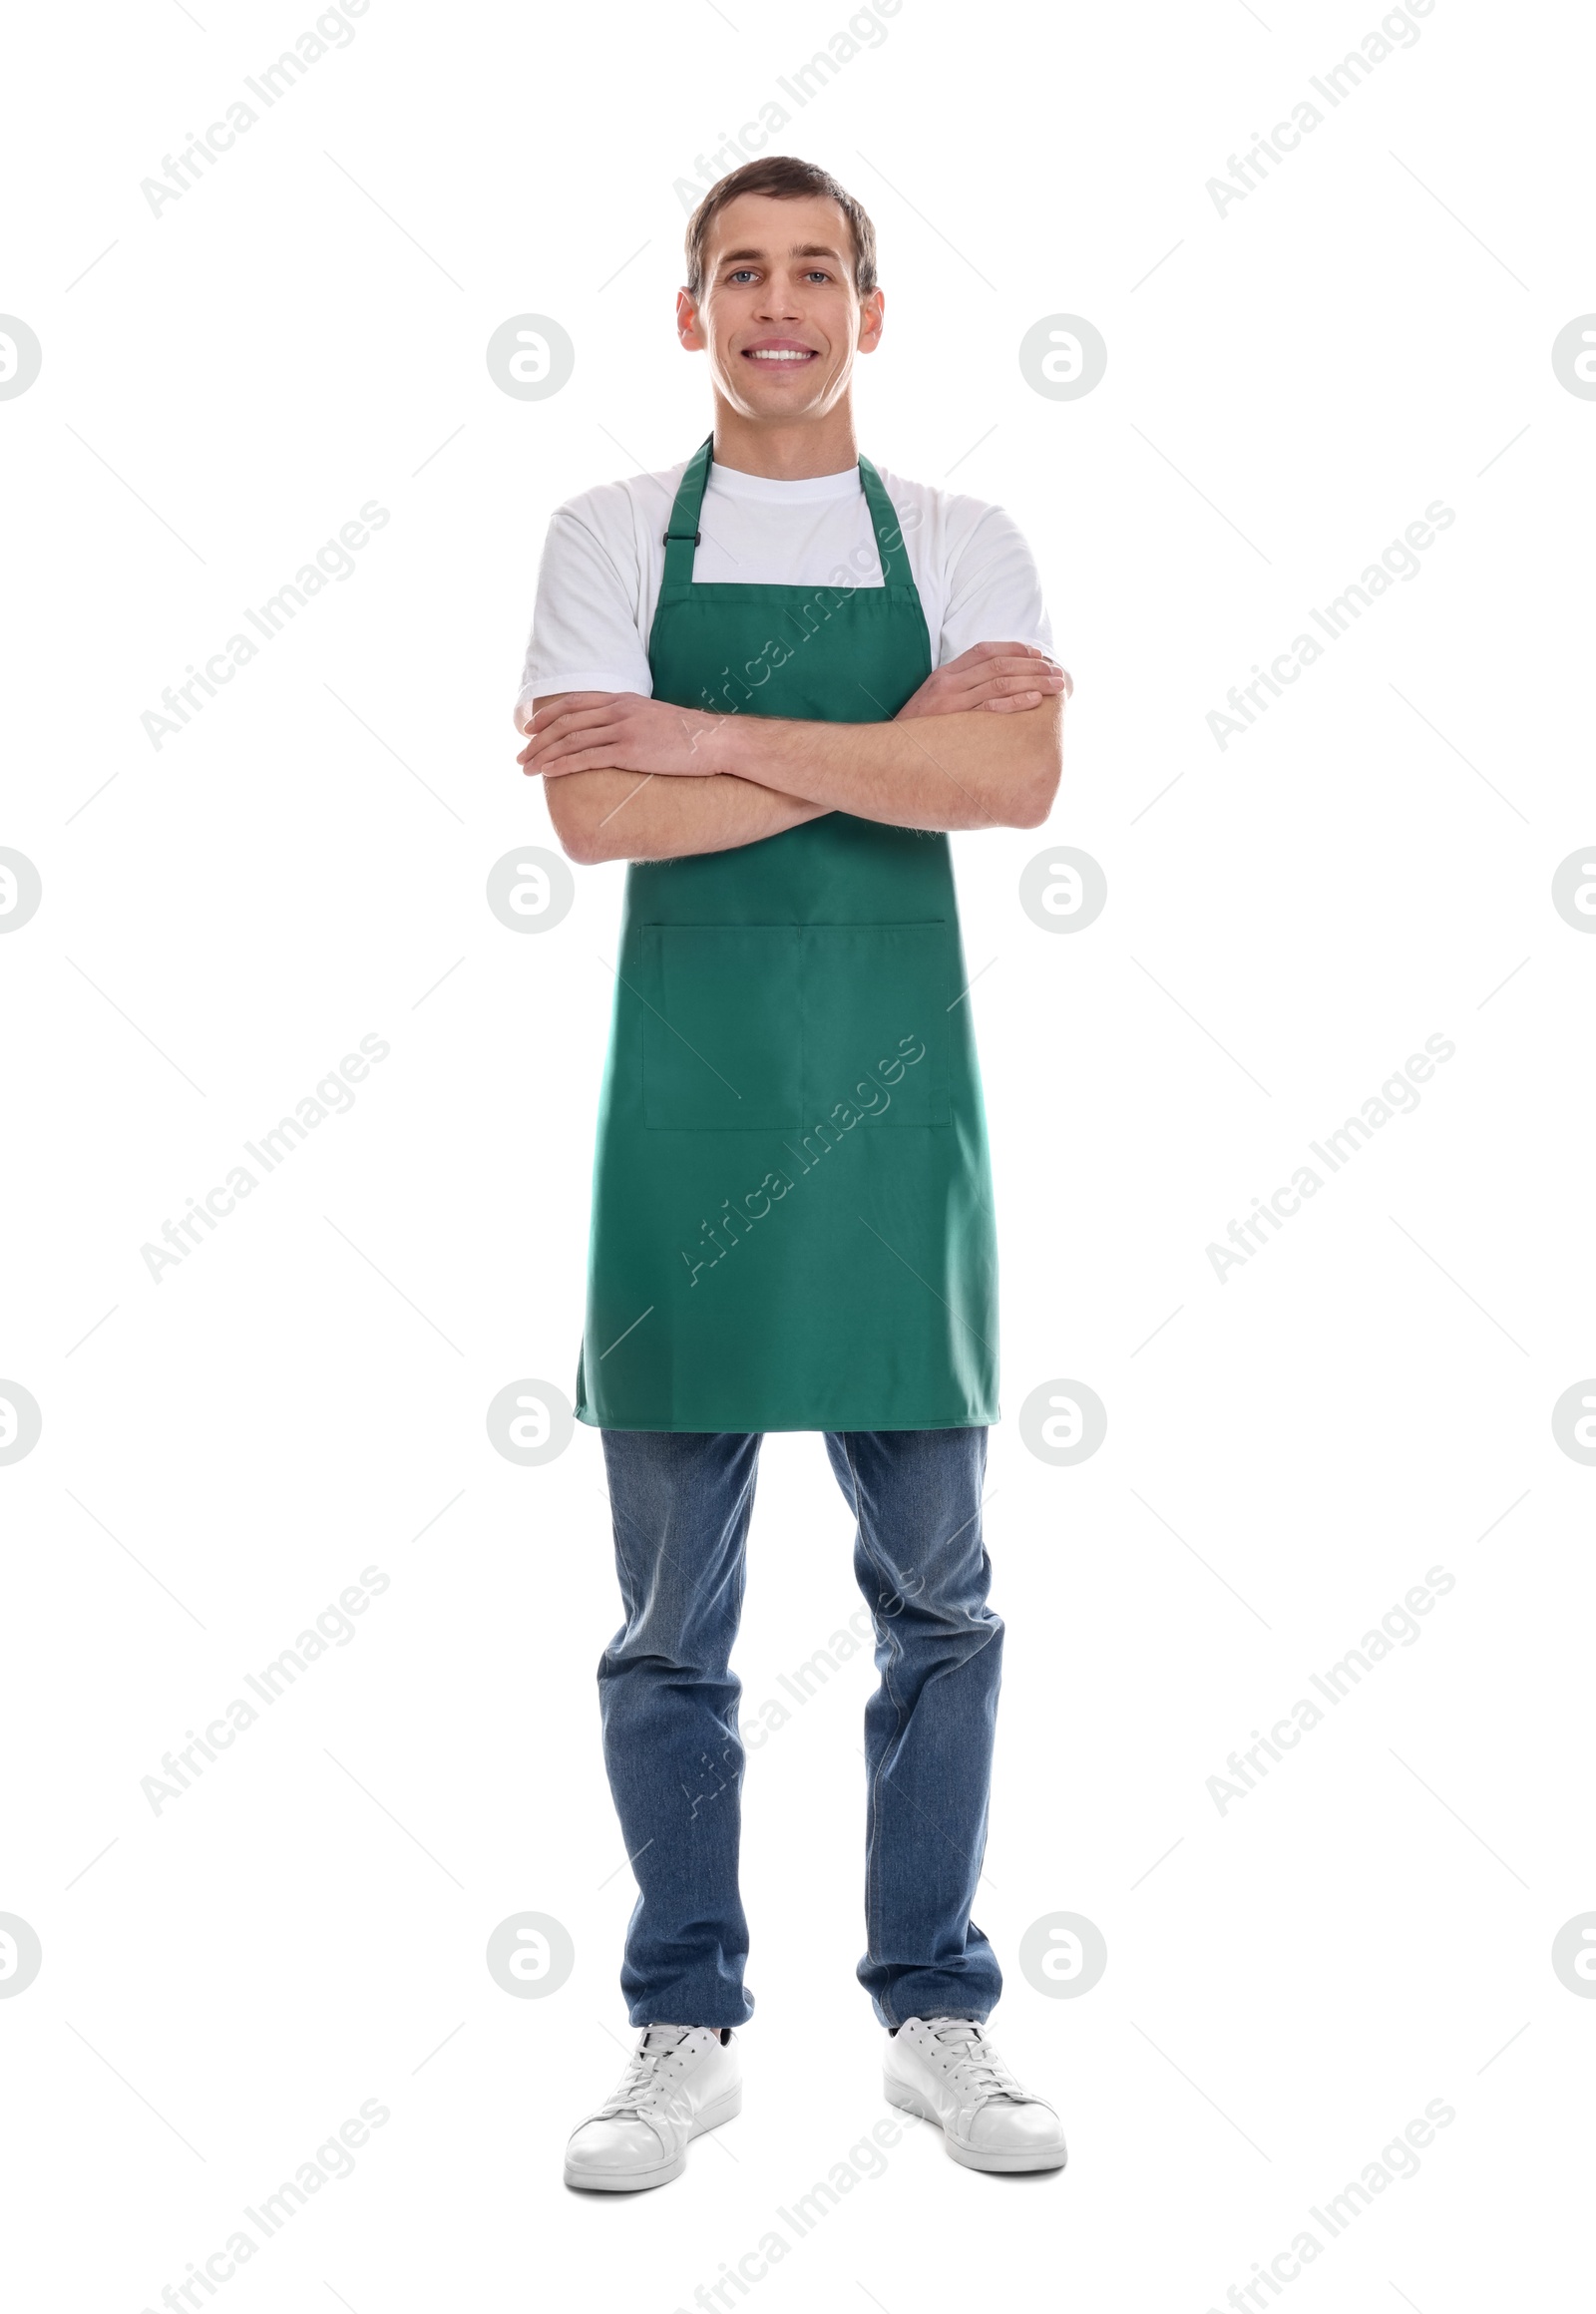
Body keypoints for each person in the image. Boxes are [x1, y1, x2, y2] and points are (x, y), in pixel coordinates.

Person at [515, 155, 1071, 2189]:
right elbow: (587, 814)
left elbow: (1006, 778)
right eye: (738, 271)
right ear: (688, 312)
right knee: (669, 1622)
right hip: (682, 1126)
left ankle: (936, 2004)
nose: (778, 301)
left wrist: (706, 735)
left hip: (891, 1119)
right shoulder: (597, 533)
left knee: (939, 1597)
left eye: (814, 270)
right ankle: (682, 2021)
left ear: (867, 306)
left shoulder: (956, 533)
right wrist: (865, 746)